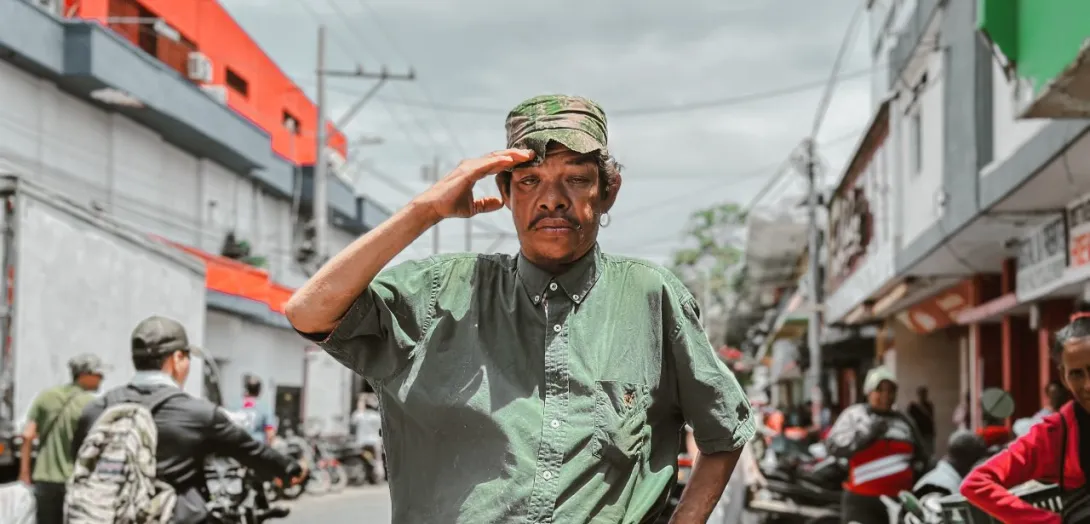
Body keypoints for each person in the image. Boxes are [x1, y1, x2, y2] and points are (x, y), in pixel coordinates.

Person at [284, 94, 756, 523]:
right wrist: (425, 210)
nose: (552, 199)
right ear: (505, 194)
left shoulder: (651, 297)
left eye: (575, 178)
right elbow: (309, 312)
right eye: (530, 180)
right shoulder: (439, 295)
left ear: (607, 191)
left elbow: (724, 432)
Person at [70, 316, 306, 524]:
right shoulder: (199, 414)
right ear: (176, 359)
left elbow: (79, 459)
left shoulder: (98, 409)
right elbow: (252, 452)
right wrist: (291, 469)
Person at [961, 307, 1090, 523]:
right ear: (1063, 377)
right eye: (1076, 374)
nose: (1088, 385)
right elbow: (976, 484)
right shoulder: (1053, 435)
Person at [824, 367, 925, 524]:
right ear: (868, 392)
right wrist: (866, 436)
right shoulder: (854, 415)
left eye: (891, 391)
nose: (886, 395)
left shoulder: (904, 420)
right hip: (862, 503)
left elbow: (921, 454)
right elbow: (833, 447)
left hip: (898, 502)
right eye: (880, 390)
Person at [18, 354, 107, 524]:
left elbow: (28, 435)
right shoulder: (91, 404)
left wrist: (24, 472)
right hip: (75, 480)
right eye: (98, 375)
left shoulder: (47, 396)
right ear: (84, 375)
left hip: (44, 478)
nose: (101, 379)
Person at [234, 374, 277, 444]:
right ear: (259, 391)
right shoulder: (265, 408)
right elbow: (270, 433)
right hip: (256, 448)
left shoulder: (235, 406)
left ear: (246, 389)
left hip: (236, 447)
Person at [351, 395, 384, 481]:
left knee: (361, 458)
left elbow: (352, 424)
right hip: (375, 441)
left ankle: (364, 475)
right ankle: (379, 476)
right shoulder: (377, 416)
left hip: (361, 442)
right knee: (378, 461)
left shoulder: (359, 415)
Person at [907, 386, 936, 458]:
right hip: (917, 434)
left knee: (929, 452)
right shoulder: (913, 407)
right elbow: (910, 420)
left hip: (928, 433)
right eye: (921, 394)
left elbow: (931, 419)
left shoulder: (929, 406)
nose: (923, 396)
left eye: (924, 394)